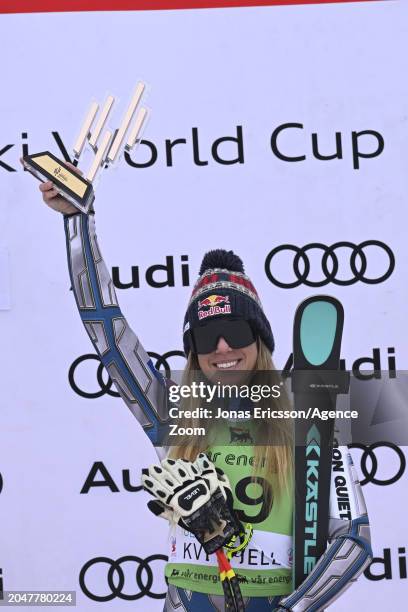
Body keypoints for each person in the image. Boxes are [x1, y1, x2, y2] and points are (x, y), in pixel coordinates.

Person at [37, 172, 372, 611]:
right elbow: (108, 333)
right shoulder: (173, 411)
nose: (222, 348)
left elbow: (353, 535)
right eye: (205, 336)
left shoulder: (309, 413)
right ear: (192, 350)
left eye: (235, 330)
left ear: (260, 340)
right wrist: (78, 224)